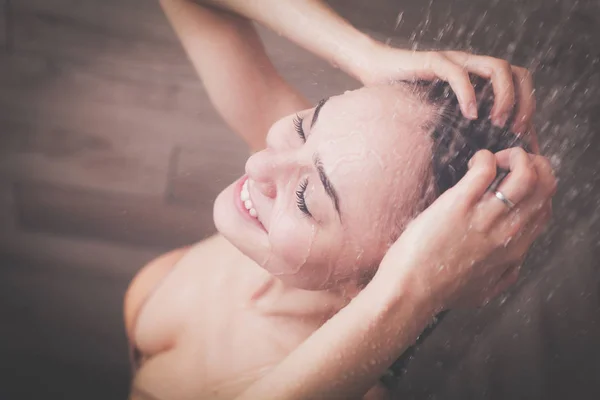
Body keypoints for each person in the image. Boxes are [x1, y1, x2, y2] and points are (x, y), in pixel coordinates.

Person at [124, 1, 556, 399]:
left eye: (306, 199)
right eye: (305, 127)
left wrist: (417, 290)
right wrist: (363, 53)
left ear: (378, 280)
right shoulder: (291, 184)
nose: (258, 166)